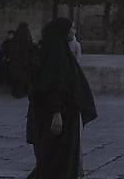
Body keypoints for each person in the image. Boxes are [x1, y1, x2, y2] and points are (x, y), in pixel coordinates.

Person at [27, 17, 97, 179]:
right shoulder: (54, 55)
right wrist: (56, 112)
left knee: (61, 157)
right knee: (54, 158)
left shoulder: (59, 51)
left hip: (66, 113)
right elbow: (53, 85)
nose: (74, 31)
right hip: (57, 115)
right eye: (72, 28)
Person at [9, 22, 35, 98]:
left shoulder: (15, 39)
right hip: (24, 62)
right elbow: (30, 49)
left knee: (17, 77)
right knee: (23, 77)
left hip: (16, 62)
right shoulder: (27, 37)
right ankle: (23, 91)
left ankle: (16, 92)